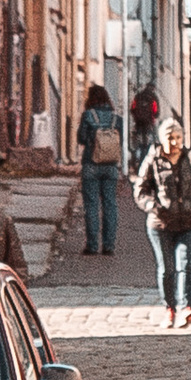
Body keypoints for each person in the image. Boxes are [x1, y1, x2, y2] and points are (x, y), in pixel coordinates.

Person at [134, 113, 191, 328]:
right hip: (161, 225)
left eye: (178, 137)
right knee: (167, 268)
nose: (174, 142)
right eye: (170, 137)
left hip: (190, 223)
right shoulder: (153, 160)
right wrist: (154, 207)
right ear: (161, 139)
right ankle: (169, 308)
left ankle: (187, 307)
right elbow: (140, 190)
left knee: (186, 264)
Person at [74, 82, 125, 258]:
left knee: (92, 205)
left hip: (91, 164)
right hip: (111, 166)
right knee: (110, 204)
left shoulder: (88, 115)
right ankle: (109, 245)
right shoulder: (116, 119)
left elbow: (81, 138)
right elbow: (121, 142)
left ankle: (92, 245)